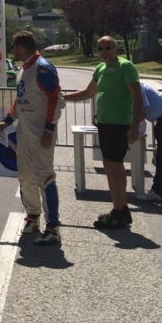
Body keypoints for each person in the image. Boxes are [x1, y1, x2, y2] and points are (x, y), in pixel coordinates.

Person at [65, 36, 145, 229]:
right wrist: (62, 98)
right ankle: (121, 208)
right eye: (100, 48)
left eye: (108, 47)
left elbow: (138, 97)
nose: (104, 51)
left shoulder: (126, 67)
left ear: (116, 49)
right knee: (109, 165)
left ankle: (117, 211)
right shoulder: (99, 69)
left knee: (116, 166)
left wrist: (134, 126)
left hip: (120, 124)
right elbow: (88, 92)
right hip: (105, 124)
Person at [0, 31, 64, 245]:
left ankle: (53, 228)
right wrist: (8, 120)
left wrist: (49, 129)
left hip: (40, 129)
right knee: (25, 175)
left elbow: (56, 99)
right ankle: (33, 216)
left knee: (44, 176)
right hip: (25, 129)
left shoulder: (43, 67)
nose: (13, 51)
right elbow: (21, 97)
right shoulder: (24, 68)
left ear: (22, 47)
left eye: (15, 47)